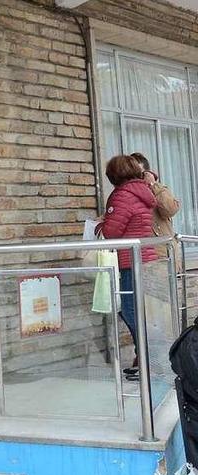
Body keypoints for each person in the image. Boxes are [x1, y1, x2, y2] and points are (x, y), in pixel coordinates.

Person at [98, 154, 158, 382]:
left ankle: (147, 358)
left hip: (130, 262)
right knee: (138, 311)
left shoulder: (122, 195)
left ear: (114, 175)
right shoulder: (143, 192)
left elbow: (111, 232)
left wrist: (101, 223)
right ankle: (147, 357)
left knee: (131, 311)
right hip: (145, 259)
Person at [131, 152, 180, 259]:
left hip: (162, 255)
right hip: (140, 256)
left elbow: (170, 209)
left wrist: (153, 185)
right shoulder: (127, 193)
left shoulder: (157, 190)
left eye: (139, 174)